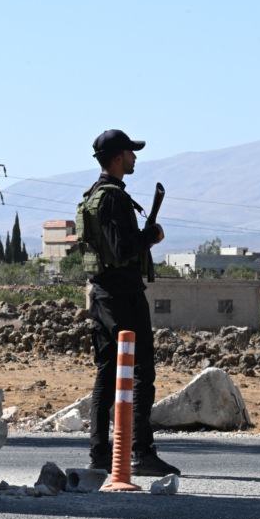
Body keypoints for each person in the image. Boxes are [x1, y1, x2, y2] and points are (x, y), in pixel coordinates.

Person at [78, 129, 181, 476]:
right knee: (140, 374)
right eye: (131, 153)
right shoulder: (111, 198)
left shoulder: (95, 195)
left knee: (108, 374)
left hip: (105, 296)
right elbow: (122, 249)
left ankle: (101, 453)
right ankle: (140, 451)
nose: (135, 158)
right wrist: (151, 235)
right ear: (118, 158)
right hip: (122, 297)